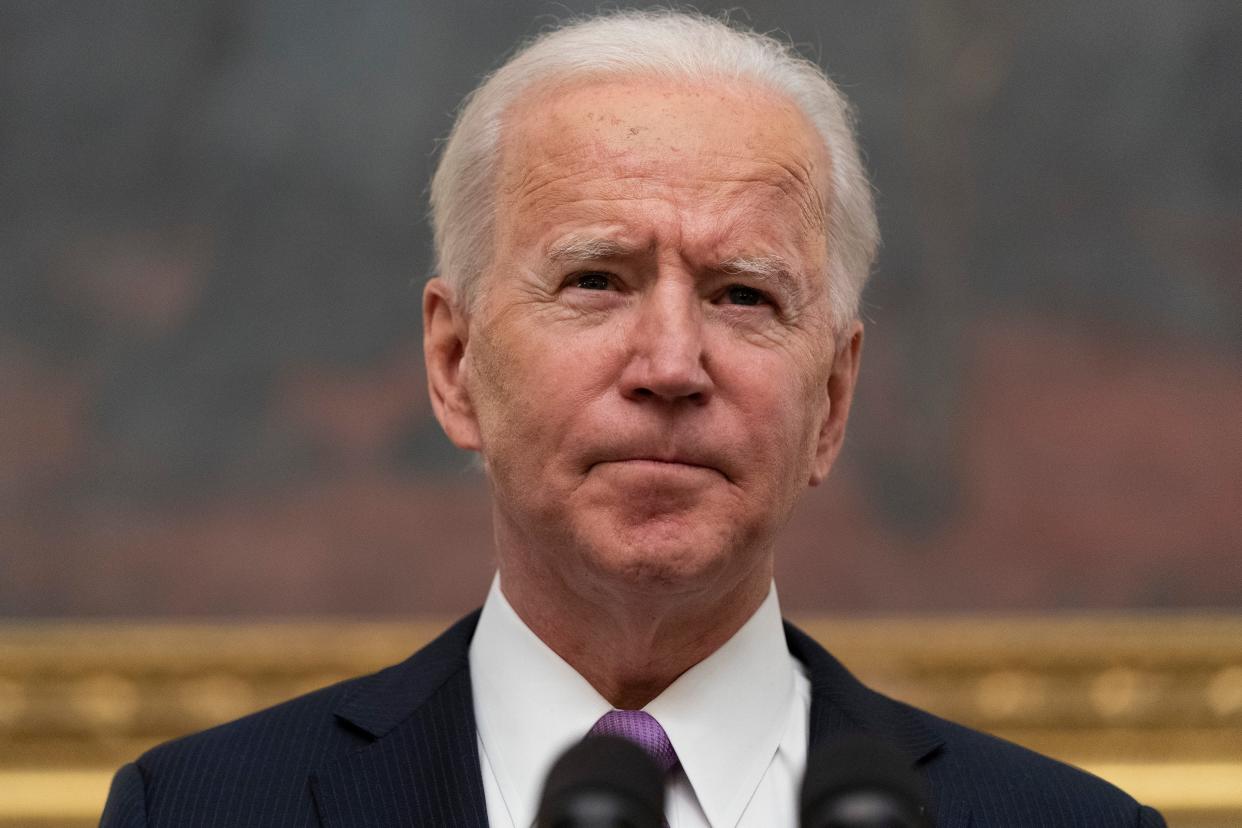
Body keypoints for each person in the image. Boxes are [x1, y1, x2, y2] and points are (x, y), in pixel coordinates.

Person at [101, 10, 1165, 827]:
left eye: (744, 296)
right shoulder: (204, 810)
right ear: (454, 361)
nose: (670, 366)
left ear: (833, 401)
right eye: (597, 280)